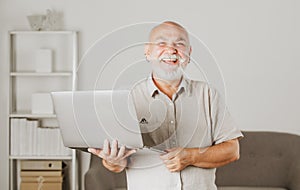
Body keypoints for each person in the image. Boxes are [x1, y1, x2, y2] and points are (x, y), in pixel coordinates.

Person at [88, 21, 243, 190]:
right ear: (147, 52)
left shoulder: (208, 94)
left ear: (189, 54)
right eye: (162, 43)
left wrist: (190, 156)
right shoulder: (127, 99)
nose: (171, 50)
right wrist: (113, 161)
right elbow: (117, 165)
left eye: (180, 44)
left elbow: (232, 150)